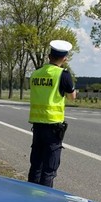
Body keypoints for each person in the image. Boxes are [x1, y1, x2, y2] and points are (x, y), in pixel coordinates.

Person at [27, 39, 76, 187]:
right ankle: (44, 201)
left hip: (37, 124)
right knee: (49, 168)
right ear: (65, 58)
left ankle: (30, 196)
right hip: (53, 126)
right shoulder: (63, 75)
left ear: (49, 56)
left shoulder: (35, 74)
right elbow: (71, 97)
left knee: (36, 164)